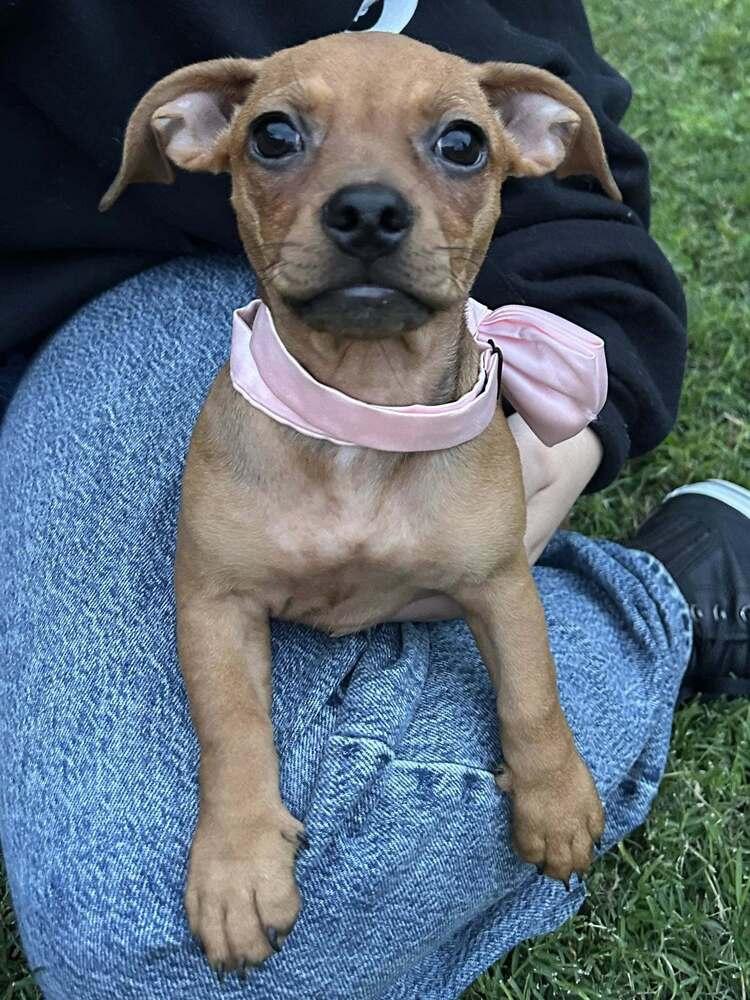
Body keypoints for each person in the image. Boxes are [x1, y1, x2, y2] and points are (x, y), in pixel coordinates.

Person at [0, 2, 747, 998]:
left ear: (539, 137)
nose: (366, 201)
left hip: (445, 422)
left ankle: (651, 599)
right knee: (146, 928)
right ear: (188, 132)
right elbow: (217, 597)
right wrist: (237, 792)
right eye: (278, 138)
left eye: (451, 145)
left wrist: (541, 747)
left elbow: (493, 582)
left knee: (153, 946)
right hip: (89, 308)